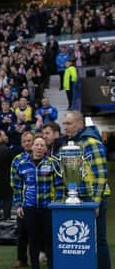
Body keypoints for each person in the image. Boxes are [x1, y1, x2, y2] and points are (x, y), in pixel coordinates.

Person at [61, 111, 111, 269]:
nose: (65, 127)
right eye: (64, 123)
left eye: (68, 123)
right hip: (80, 197)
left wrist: (96, 202)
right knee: (84, 241)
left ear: (80, 124)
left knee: (98, 240)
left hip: (93, 198)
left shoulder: (91, 142)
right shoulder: (74, 143)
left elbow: (101, 174)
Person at [12, 135, 62, 269]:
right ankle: (35, 266)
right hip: (29, 208)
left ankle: (52, 266)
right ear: (32, 147)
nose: (39, 148)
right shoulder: (22, 165)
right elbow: (16, 187)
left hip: (48, 208)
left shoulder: (53, 163)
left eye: (42, 145)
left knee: (49, 240)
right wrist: (18, 205)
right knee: (33, 241)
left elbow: (60, 186)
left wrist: (56, 203)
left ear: (46, 149)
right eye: (37, 145)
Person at [10, 131, 35, 269]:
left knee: (38, 233)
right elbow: (15, 184)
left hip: (40, 203)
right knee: (22, 233)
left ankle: (38, 257)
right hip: (24, 203)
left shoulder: (43, 157)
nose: (27, 143)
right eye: (24, 141)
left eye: (29, 140)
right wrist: (18, 204)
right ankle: (21, 259)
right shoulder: (17, 160)